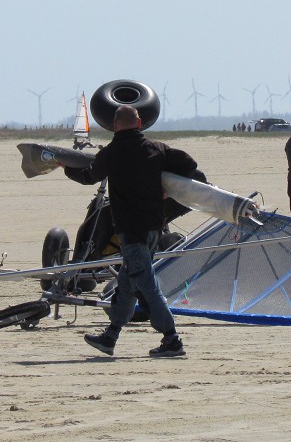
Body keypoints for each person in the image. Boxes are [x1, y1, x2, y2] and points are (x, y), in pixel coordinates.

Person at [64, 105, 197, 358]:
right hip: (153, 227)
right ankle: (111, 336)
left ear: (114, 126)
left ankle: (172, 339)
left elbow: (88, 177)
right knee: (126, 284)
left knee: (146, 285)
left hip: (132, 231)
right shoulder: (157, 148)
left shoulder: (111, 153)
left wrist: (65, 166)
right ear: (139, 124)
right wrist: (170, 190)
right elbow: (189, 164)